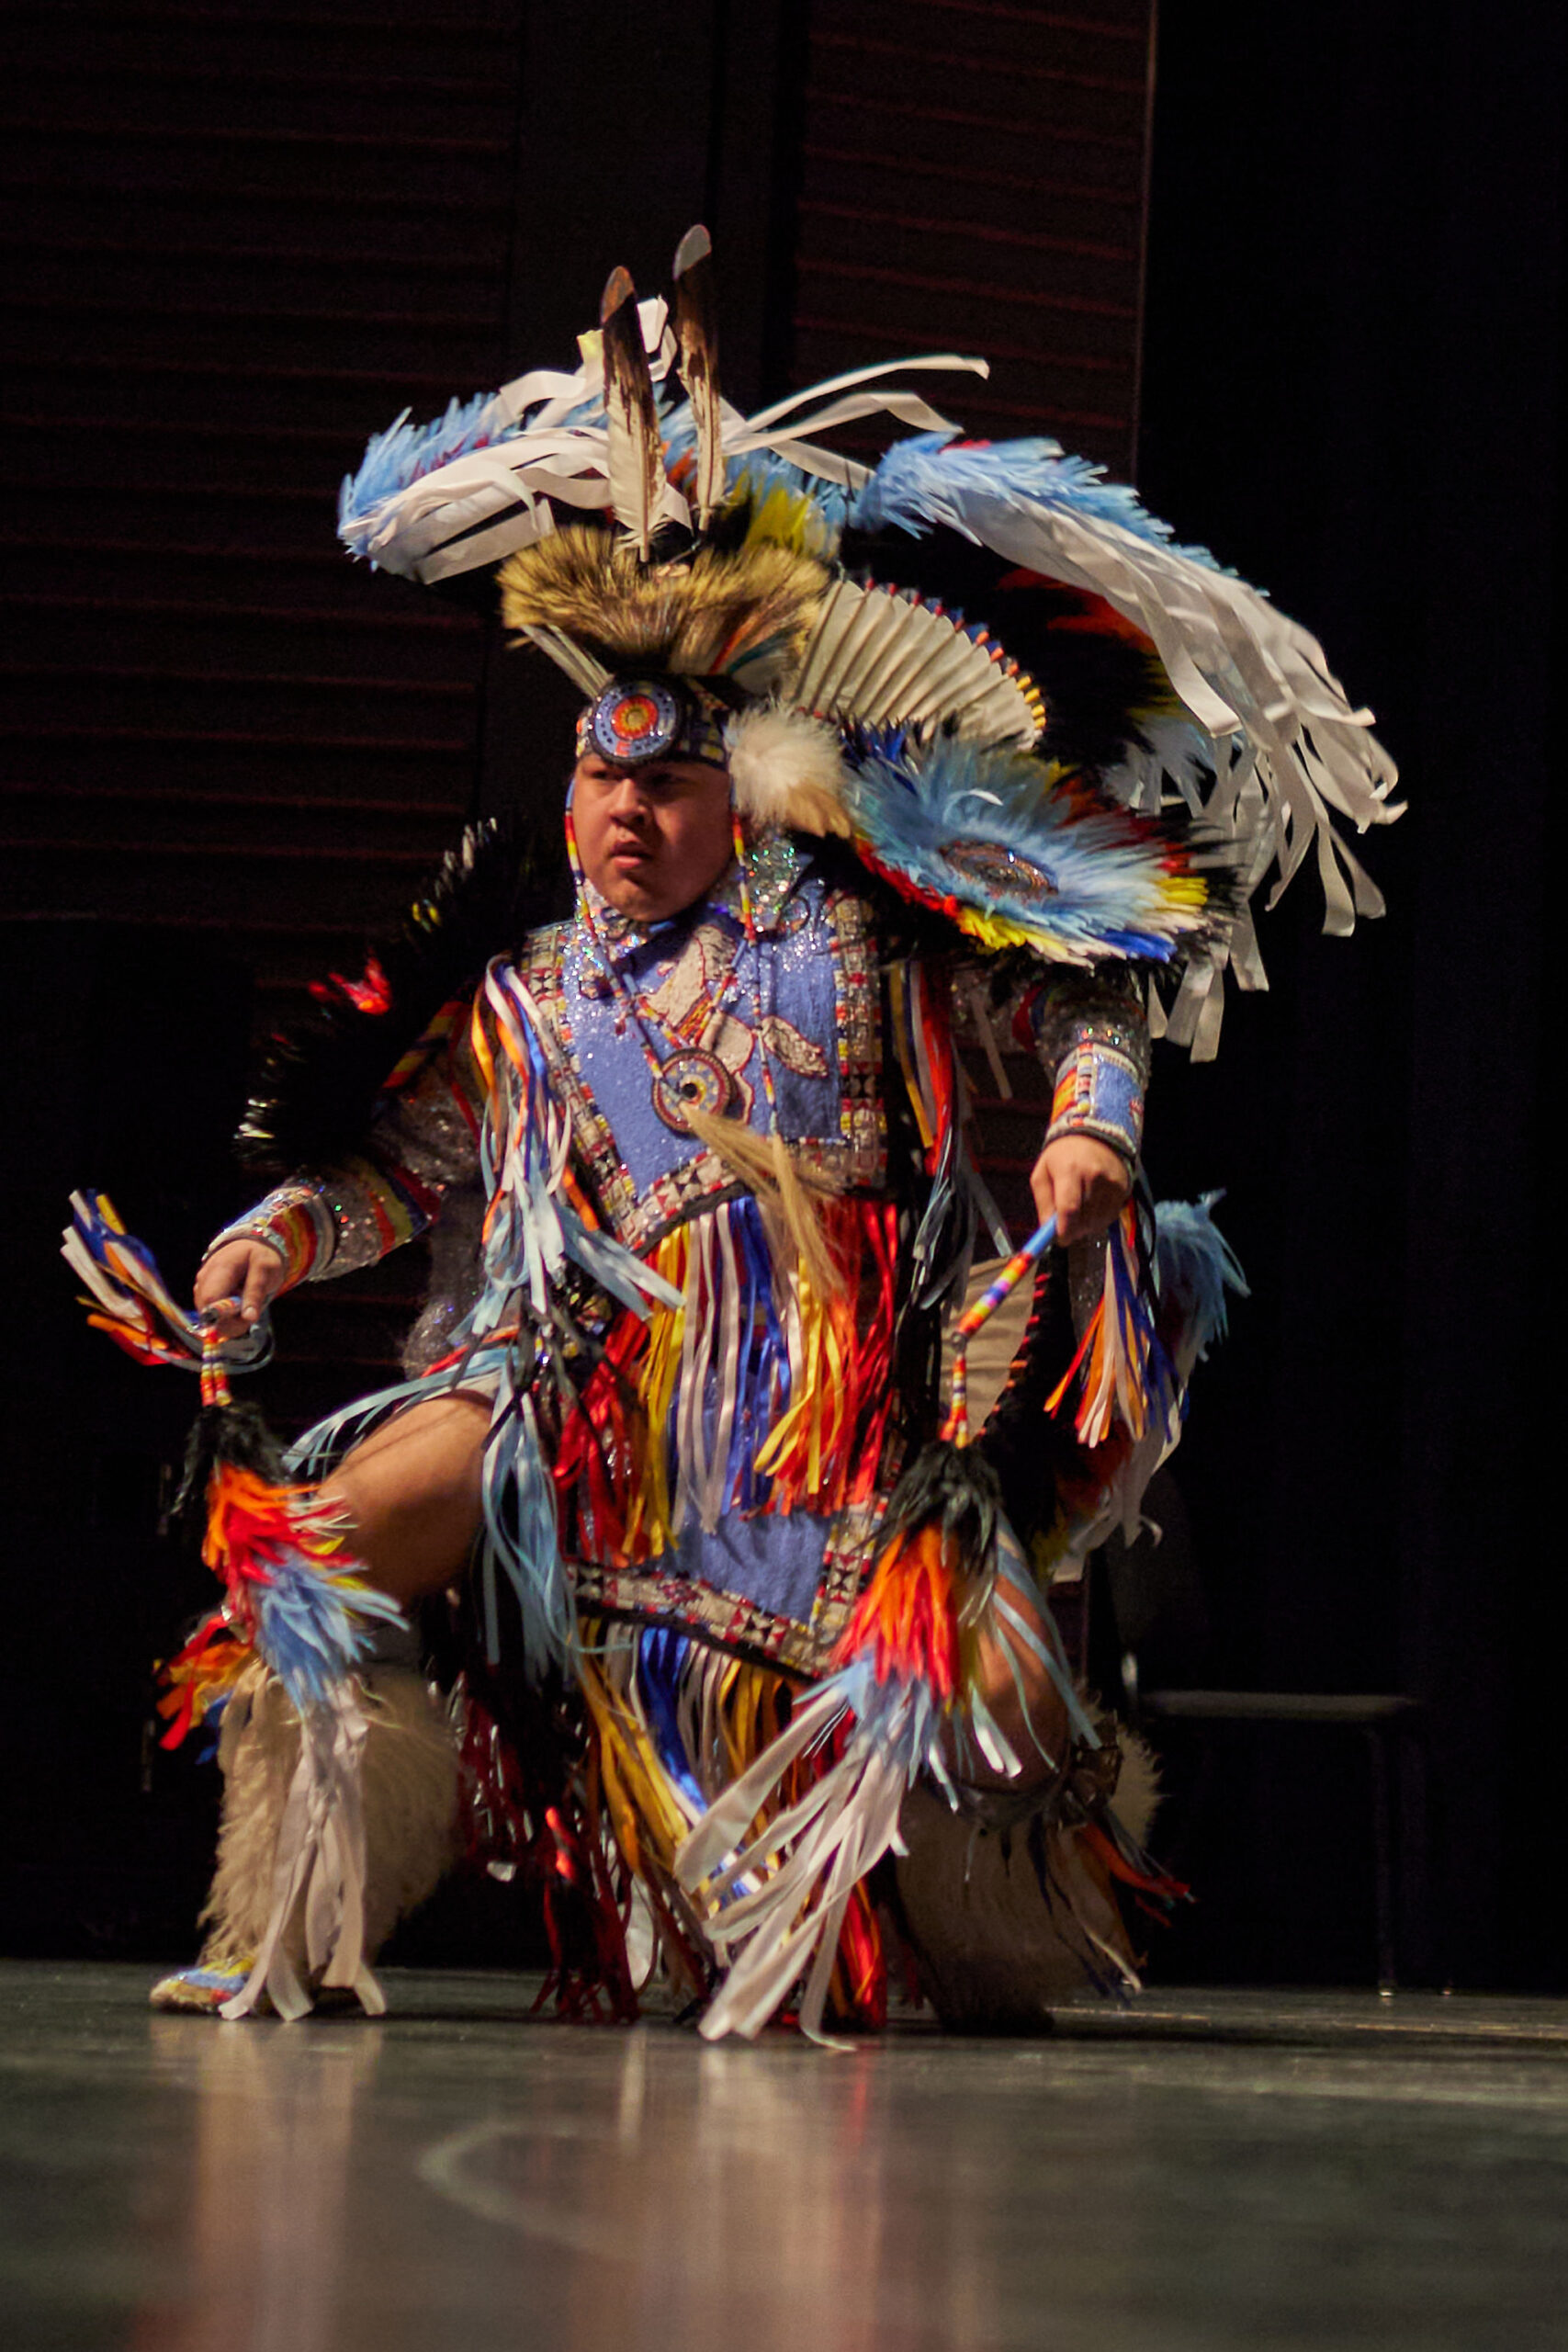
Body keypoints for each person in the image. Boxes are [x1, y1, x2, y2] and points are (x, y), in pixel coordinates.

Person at [73, 233, 1396, 2037]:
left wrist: (1089, 1133)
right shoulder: (530, 992)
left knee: (1002, 1724)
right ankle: (287, 1916)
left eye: (670, 780)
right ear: (566, 792)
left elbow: (1088, 990)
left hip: (844, 1435)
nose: (628, 809)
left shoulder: (862, 932)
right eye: (601, 777)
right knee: (316, 1536)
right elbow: (401, 1168)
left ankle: (958, 1932)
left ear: (743, 794)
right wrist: (275, 1238)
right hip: (577, 1422)